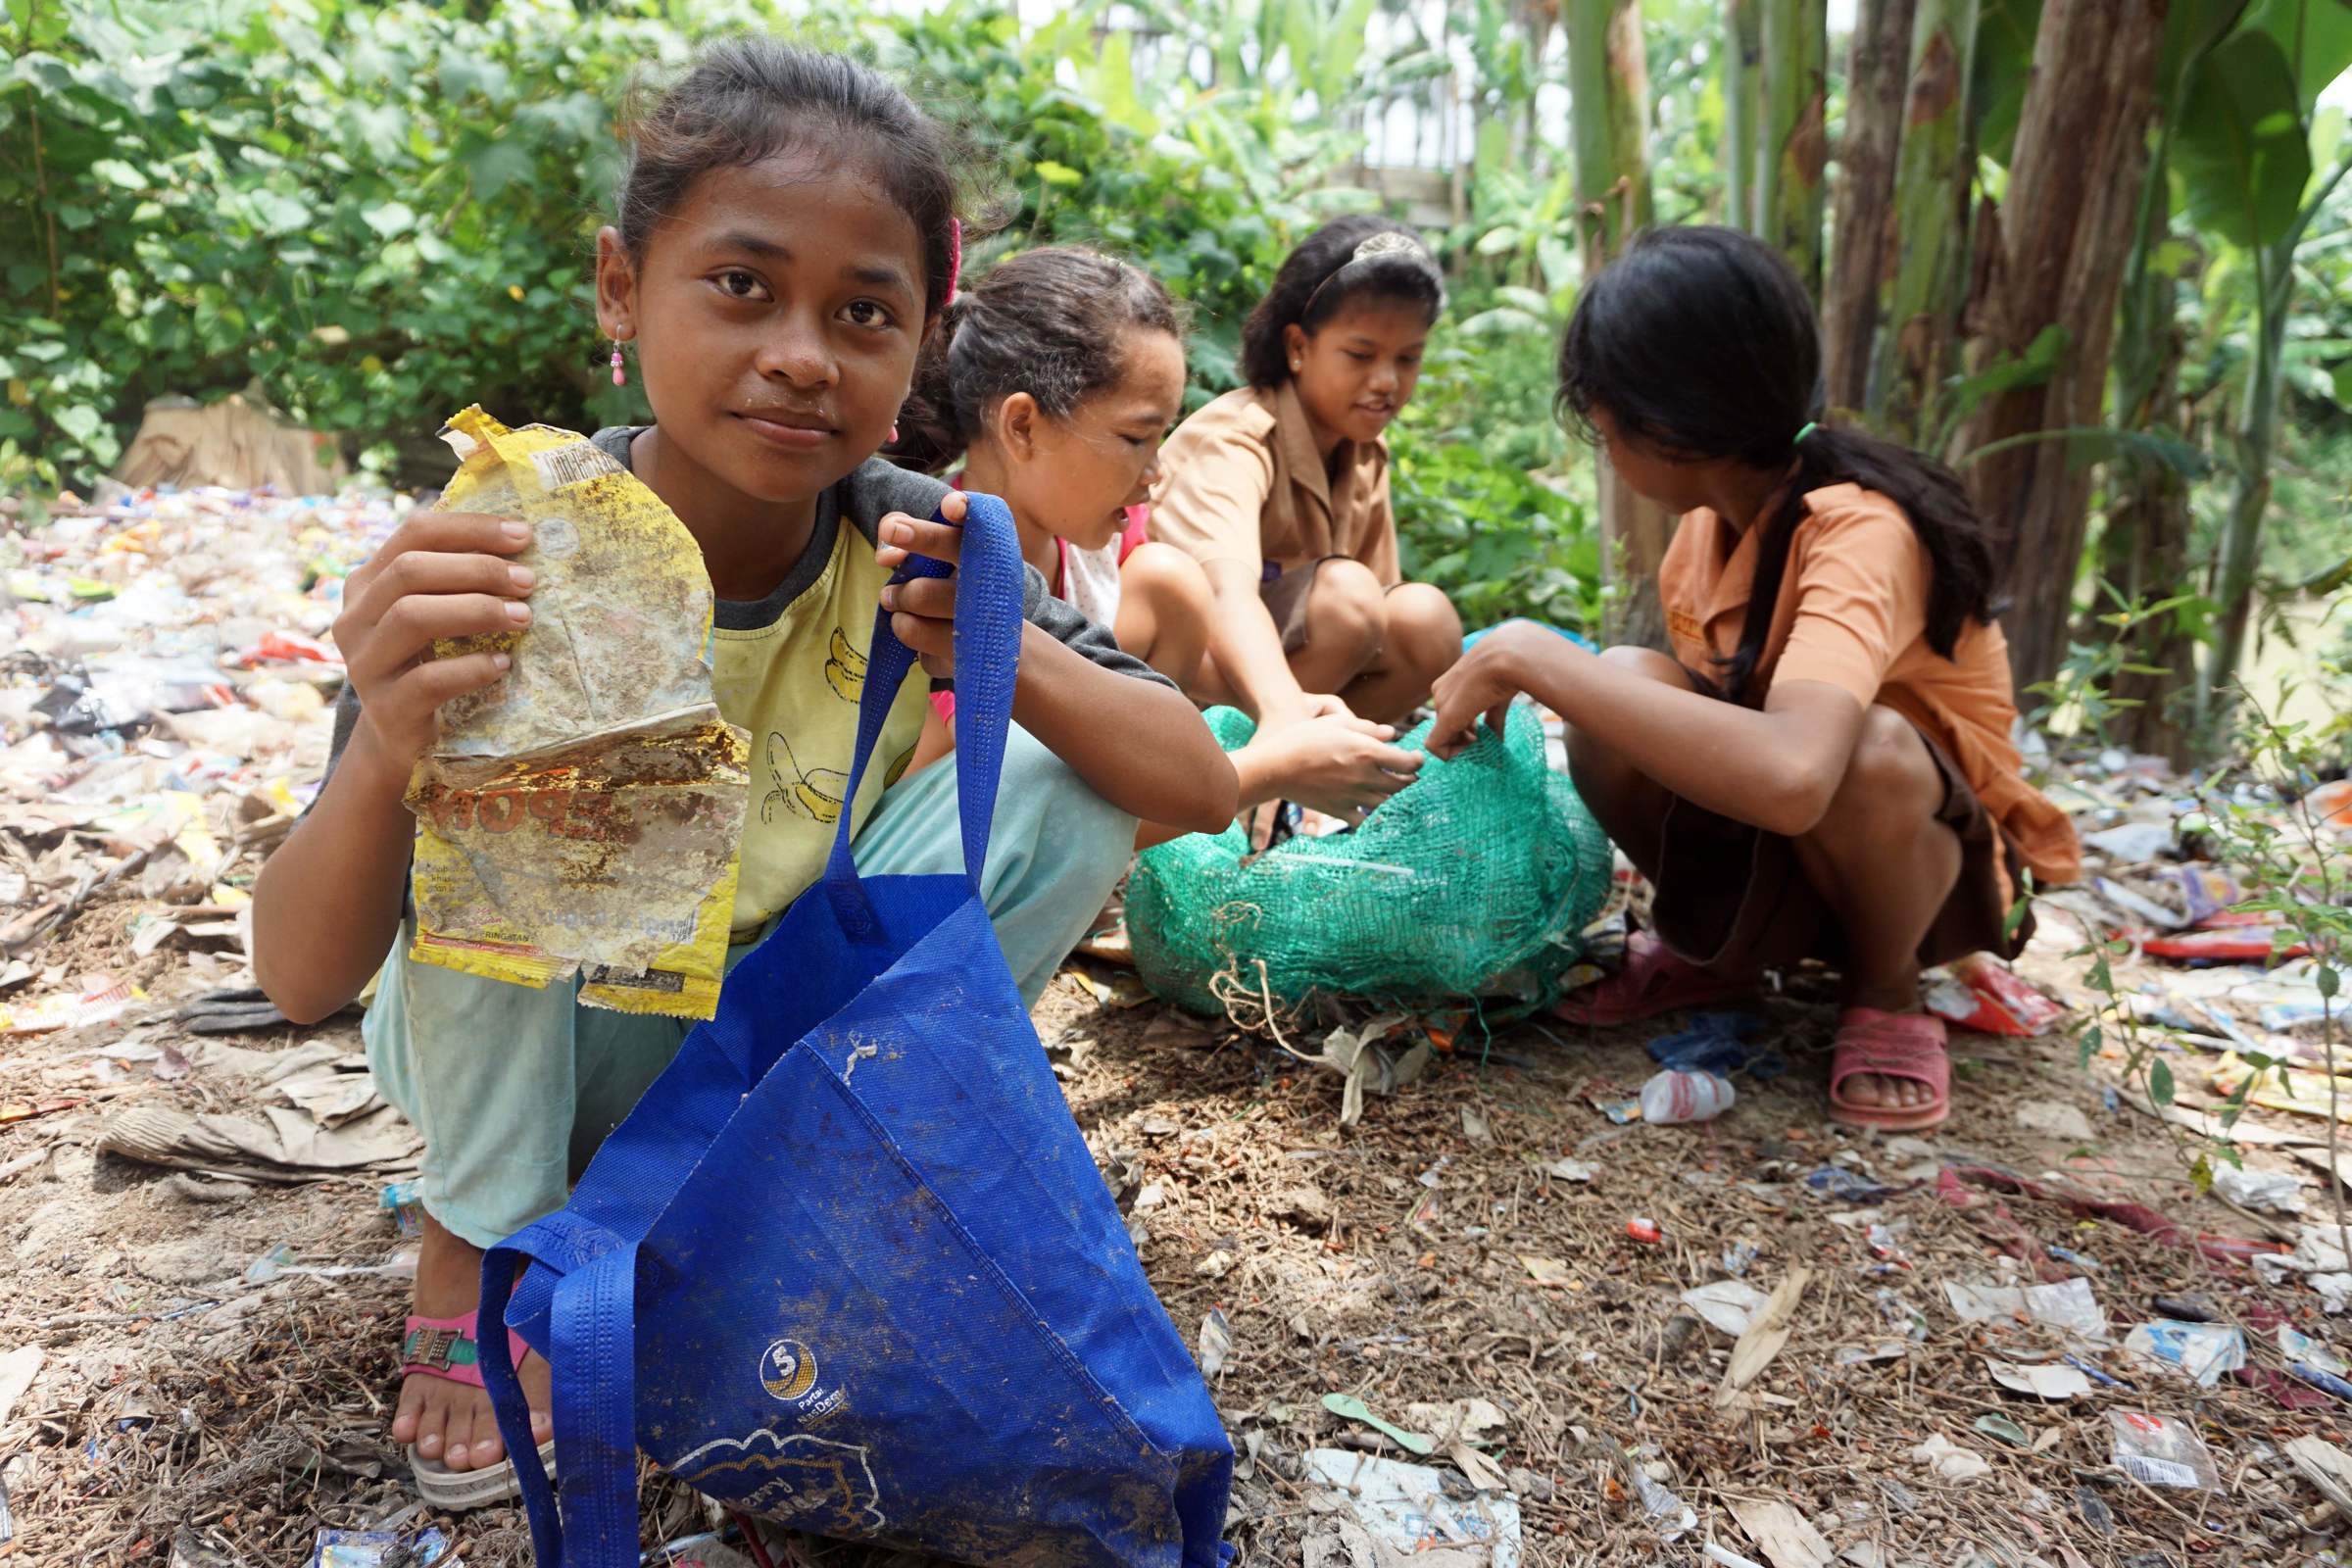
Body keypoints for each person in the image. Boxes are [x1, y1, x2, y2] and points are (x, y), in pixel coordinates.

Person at [249, 41, 1236, 1507]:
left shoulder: (917, 536)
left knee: (1068, 769)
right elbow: (298, 977)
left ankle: (790, 1185)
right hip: (531, 1042)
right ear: (618, 288)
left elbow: (1198, 789)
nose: (800, 352)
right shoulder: (521, 547)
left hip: (760, 1050)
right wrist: (395, 741)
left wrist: (1000, 650)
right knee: (513, 749)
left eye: (863, 313)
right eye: (740, 285)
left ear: (921, 351)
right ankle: (491, 1240)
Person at [1426, 225, 2079, 1133]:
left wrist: (1529, 655)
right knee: (1623, 681)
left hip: (1923, 877)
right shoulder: (1706, 532)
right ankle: (1716, 954)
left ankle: (1888, 990)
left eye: (1603, 411)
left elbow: (1794, 775)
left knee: (1869, 749)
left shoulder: (1861, 534)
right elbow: (1708, 747)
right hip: (1799, 857)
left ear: (1666, 419)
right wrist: (1571, 679)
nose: (1600, 432)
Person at [890, 243, 1429, 833]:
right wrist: (1272, 767)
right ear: (1022, 426)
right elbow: (955, 824)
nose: (1158, 470)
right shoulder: (937, 569)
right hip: (949, 865)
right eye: (1135, 438)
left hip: (1057, 828)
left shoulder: (1104, 545)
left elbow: (1193, 672)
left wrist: (1290, 712)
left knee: (1170, 582)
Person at [1149, 216, 1463, 818]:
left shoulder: (1364, 452)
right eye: (1361, 354)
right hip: (1175, 687)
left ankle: (1310, 801)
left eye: (1408, 358)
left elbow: (1389, 613)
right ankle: (1238, 805)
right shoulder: (1235, 438)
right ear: (1297, 347)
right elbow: (1226, 592)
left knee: (1425, 619)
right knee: (1346, 600)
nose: (1386, 382)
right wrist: (1288, 721)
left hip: (1286, 687)